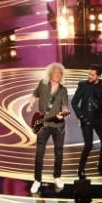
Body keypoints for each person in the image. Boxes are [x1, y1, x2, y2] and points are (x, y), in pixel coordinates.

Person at [27, 63, 71, 194]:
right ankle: (37, 180)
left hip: (58, 126)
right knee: (39, 153)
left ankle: (57, 177)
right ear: (50, 73)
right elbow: (34, 94)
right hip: (43, 125)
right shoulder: (43, 84)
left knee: (59, 152)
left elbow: (65, 106)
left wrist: (64, 113)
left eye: (59, 73)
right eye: (55, 72)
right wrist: (30, 104)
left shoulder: (63, 90)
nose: (57, 74)